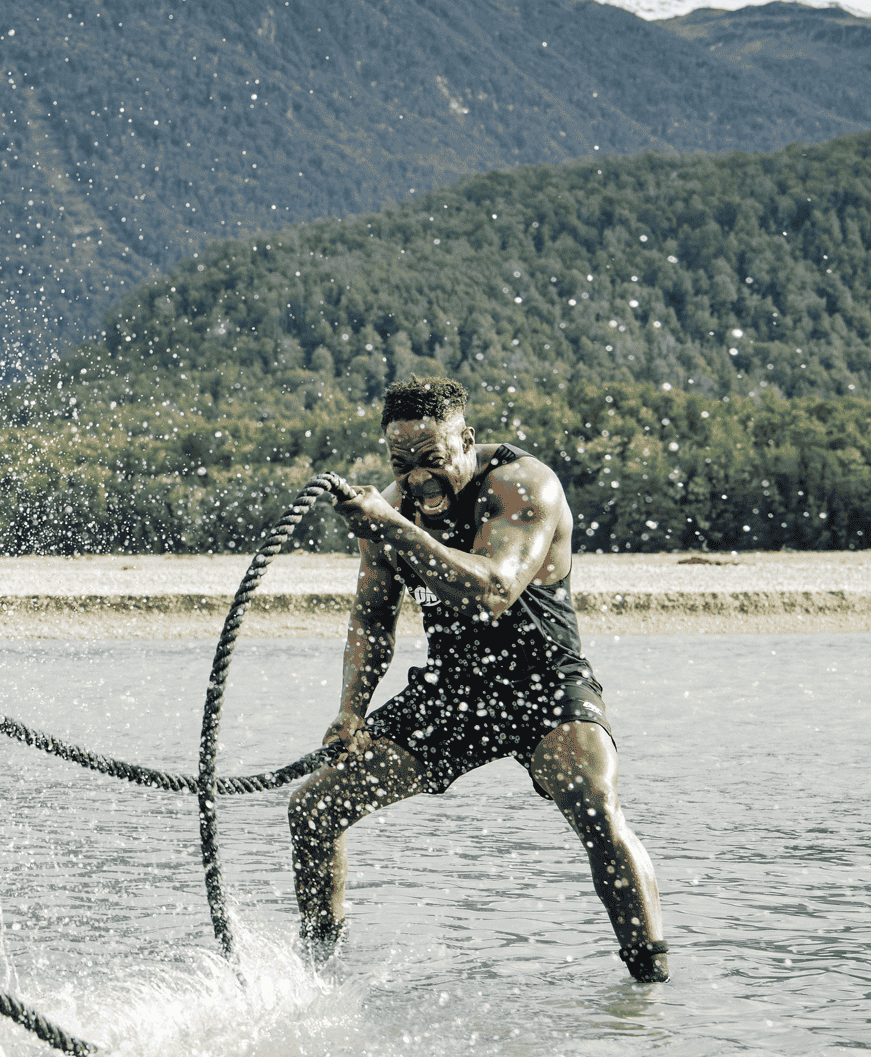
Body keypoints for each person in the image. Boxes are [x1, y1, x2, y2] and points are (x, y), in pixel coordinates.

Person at [286, 376, 669, 982]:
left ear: (466, 439)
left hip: (544, 685)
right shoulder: (389, 510)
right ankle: (315, 978)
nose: (418, 478)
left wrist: (390, 522)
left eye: (432, 460)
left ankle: (650, 987)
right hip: (453, 691)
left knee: (596, 807)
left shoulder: (523, 484)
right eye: (400, 462)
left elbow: (495, 588)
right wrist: (351, 710)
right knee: (314, 807)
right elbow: (371, 617)